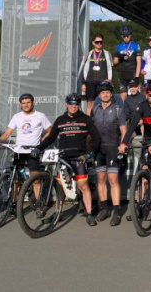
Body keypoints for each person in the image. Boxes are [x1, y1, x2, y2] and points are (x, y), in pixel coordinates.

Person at [33, 93, 101, 226]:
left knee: (83, 185)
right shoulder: (60, 120)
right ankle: (57, 213)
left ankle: (89, 213)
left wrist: (91, 154)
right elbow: (50, 138)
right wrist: (38, 148)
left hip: (79, 158)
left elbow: (96, 137)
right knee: (60, 187)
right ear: (66, 104)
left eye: (76, 104)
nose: (74, 106)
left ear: (78, 105)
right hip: (63, 158)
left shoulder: (85, 119)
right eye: (71, 104)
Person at [90, 81, 127, 226]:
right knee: (100, 178)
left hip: (112, 147)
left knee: (113, 179)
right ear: (99, 95)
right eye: (102, 93)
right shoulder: (95, 109)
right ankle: (104, 208)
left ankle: (116, 211)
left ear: (111, 94)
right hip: (99, 148)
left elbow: (123, 130)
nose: (105, 95)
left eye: (107, 92)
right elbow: (92, 129)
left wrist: (123, 144)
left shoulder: (118, 109)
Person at [0, 93, 52, 188]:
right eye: (23, 103)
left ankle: (37, 197)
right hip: (19, 150)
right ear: (20, 105)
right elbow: (7, 132)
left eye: (28, 102)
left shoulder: (40, 116)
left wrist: (43, 139)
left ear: (33, 103)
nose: (26, 105)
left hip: (33, 150)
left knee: (35, 178)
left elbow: (50, 130)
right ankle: (17, 197)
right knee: (16, 178)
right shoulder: (17, 116)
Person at [81, 34, 114, 116]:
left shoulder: (106, 54)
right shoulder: (89, 54)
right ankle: (88, 121)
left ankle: (102, 120)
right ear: (93, 43)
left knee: (103, 102)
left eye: (100, 42)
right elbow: (85, 69)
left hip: (103, 81)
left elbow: (109, 68)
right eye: (97, 42)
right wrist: (84, 83)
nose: (99, 44)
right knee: (90, 103)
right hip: (90, 81)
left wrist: (109, 80)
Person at [113, 25, 141, 102]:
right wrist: (120, 58)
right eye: (124, 36)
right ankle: (123, 109)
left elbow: (139, 62)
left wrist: (137, 77)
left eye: (127, 36)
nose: (126, 37)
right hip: (122, 73)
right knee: (123, 96)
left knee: (134, 95)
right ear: (121, 36)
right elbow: (114, 62)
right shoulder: (118, 47)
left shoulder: (136, 46)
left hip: (132, 72)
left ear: (130, 35)